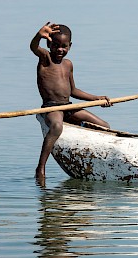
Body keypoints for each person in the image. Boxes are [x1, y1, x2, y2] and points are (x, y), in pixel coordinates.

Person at [30, 22, 111, 182]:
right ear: (49, 44)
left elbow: (73, 91)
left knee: (104, 126)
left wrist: (96, 98)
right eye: (56, 45)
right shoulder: (45, 58)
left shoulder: (68, 65)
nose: (60, 50)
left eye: (64, 46)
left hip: (69, 106)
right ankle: (40, 167)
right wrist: (38, 35)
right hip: (51, 107)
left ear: (70, 46)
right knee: (57, 126)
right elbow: (33, 47)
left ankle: (90, 155)